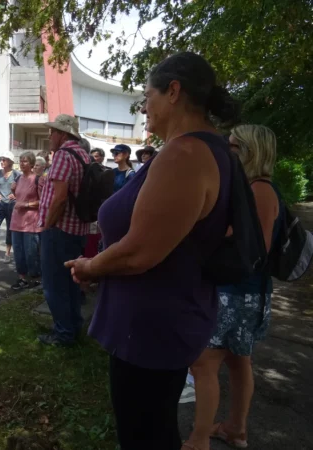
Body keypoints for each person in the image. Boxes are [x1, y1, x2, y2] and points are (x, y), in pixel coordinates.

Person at [65, 51, 239, 449]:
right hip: (167, 318)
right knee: (155, 428)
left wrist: (91, 265)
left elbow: (138, 253)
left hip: (151, 328)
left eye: (148, 96)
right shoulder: (210, 150)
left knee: (144, 436)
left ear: (173, 91)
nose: (144, 107)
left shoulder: (184, 155)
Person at [185, 125, 280, 450]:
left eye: (234, 146)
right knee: (239, 362)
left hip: (239, 293)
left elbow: (255, 248)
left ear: (251, 150)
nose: (228, 151)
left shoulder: (259, 190)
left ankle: (199, 440)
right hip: (246, 293)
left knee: (203, 363)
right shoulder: (254, 188)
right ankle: (235, 430)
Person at [38, 114, 91, 346]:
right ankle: (73, 327)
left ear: (62, 134)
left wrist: (47, 226)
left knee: (54, 285)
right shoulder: (83, 155)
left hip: (59, 230)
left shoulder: (62, 155)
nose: (50, 136)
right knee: (71, 284)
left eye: (53, 132)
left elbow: (59, 199)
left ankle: (63, 335)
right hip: (78, 229)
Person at [10, 151, 42, 290]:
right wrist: (13, 193)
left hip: (31, 222)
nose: (22, 163)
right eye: (21, 161)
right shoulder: (18, 179)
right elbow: (18, 196)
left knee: (31, 252)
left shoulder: (38, 179)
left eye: (25, 161)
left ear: (32, 164)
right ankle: (22, 278)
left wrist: (26, 205)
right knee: (18, 252)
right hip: (16, 221)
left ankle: (36, 279)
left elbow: (43, 201)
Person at [0, 150, 19, 263]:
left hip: (12, 205)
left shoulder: (16, 174)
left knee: (9, 229)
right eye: (0, 159)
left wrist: (15, 195)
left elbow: (22, 187)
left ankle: (7, 253)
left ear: (10, 161)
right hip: (0, 205)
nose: (1, 161)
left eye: (4, 160)